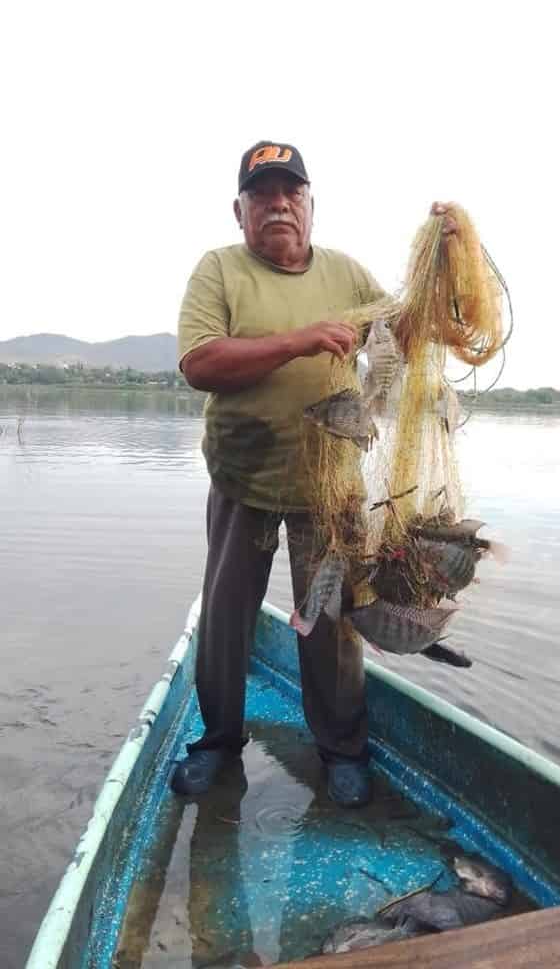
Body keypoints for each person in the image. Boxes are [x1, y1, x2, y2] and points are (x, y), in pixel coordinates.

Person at [174, 139, 454, 806]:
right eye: (262, 194)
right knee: (225, 619)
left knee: (332, 626)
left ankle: (343, 750)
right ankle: (218, 741)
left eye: (290, 192)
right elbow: (200, 364)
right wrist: (300, 340)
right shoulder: (219, 271)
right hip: (244, 480)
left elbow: (408, 332)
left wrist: (441, 251)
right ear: (238, 209)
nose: (278, 204)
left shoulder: (347, 275)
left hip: (330, 491)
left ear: (309, 206)